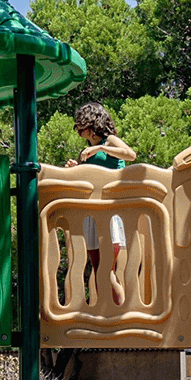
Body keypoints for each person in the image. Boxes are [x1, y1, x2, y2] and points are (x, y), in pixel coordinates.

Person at [65, 102, 136, 305]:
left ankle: (119, 311)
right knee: (99, 268)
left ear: (93, 122)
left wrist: (101, 147)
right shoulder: (87, 151)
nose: (78, 127)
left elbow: (131, 155)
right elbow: (87, 178)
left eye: (82, 122)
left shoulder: (109, 141)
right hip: (91, 212)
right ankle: (109, 312)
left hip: (111, 209)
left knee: (106, 267)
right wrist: (76, 168)